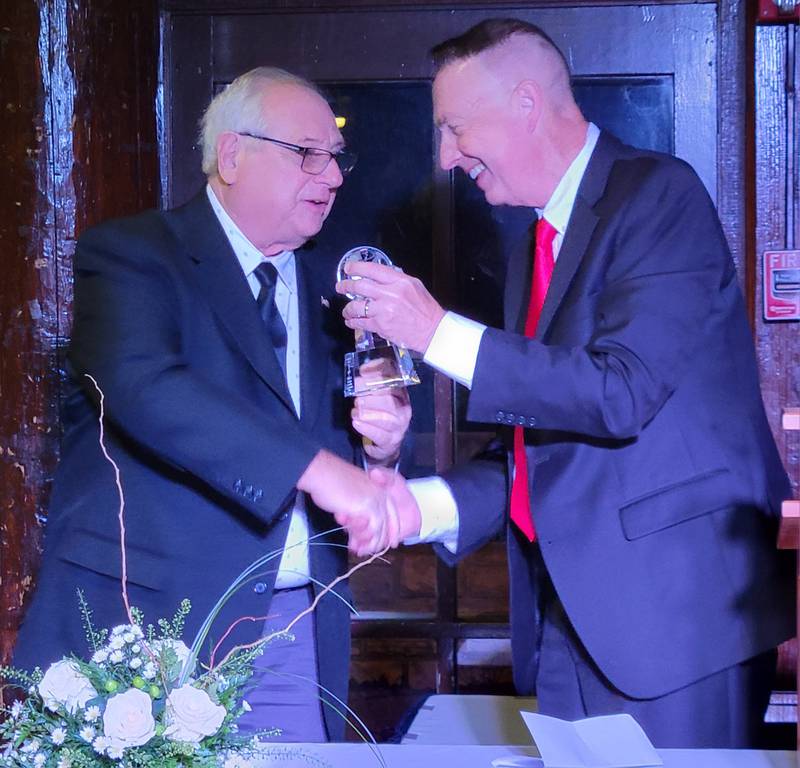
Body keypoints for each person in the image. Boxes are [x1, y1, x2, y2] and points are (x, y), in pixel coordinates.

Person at [337, 19, 794, 748]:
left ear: (525, 103)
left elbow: (620, 391)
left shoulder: (658, 196)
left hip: (674, 629)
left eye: (455, 128)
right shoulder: (534, 244)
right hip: (564, 627)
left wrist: (435, 331)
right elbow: (541, 443)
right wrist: (411, 506)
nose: (448, 158)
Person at [12, 67, 410, 742]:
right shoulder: (133, 255)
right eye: (309, 153)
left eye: (337, 157)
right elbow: (145, 387)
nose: (334, 176)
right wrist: (319, 467)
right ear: (232, 154)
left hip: (291, 636)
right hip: (139, 635)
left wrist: (381, 446)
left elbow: (343, 463)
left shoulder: (331, 296)